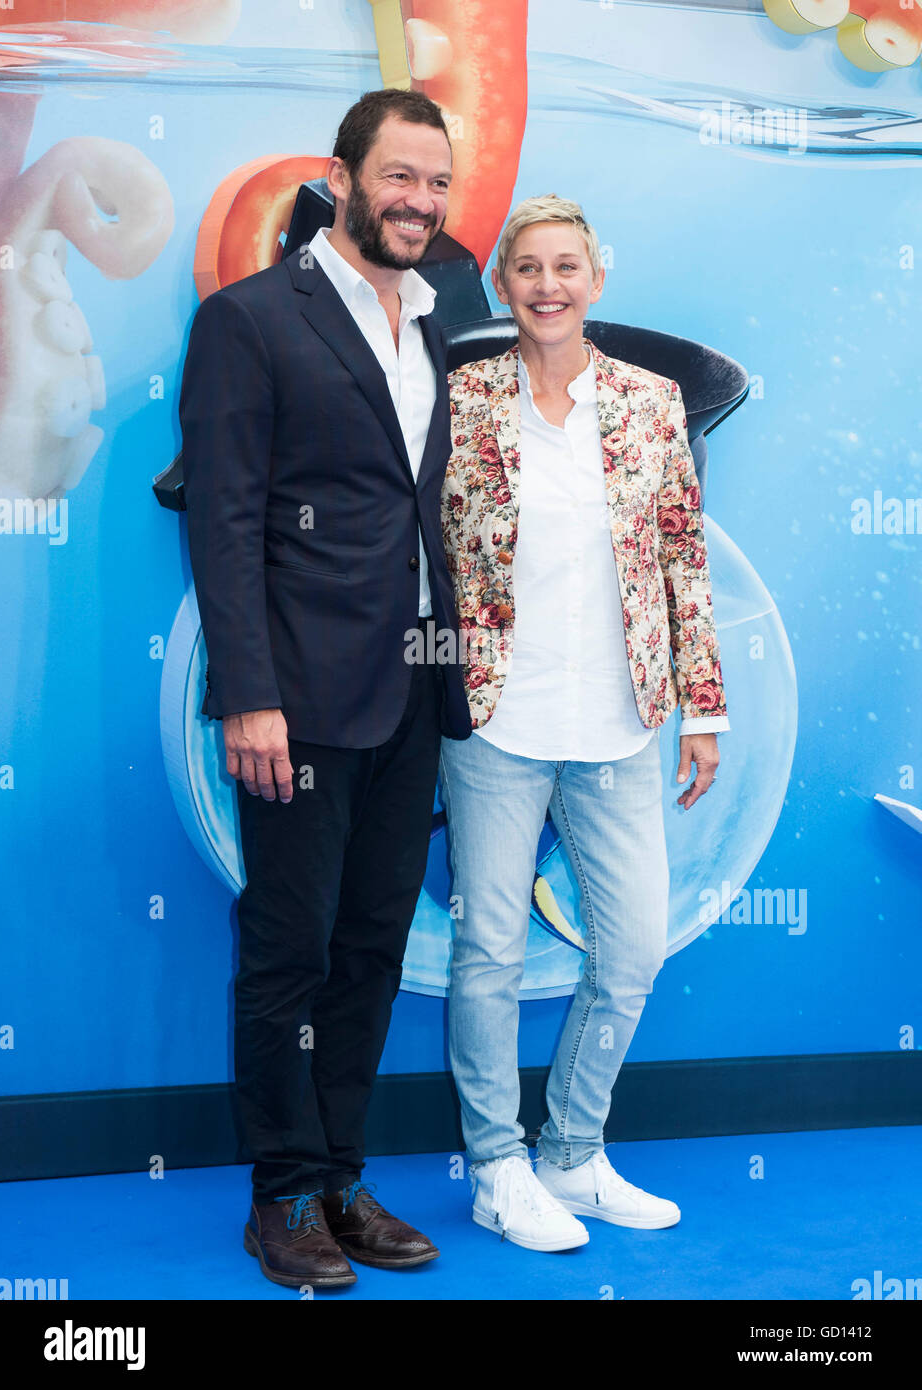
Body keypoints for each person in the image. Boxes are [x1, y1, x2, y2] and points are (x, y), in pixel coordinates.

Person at [178, 88, 471, 1289]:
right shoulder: (252, 318)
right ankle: (282, 1194)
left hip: (412, 687)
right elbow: (226, 513)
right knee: (290, 949)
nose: (421, 202)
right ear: (343, 175)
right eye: (400, 177)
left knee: (373, 944)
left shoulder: (436, 323)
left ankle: (344, 1178)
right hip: (295, 698)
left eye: (438, 184)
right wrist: (249, 694)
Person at [439, 194, 729, 1251]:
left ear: (595, 281)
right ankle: (496, 1167)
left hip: (620, 721)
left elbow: (680, 559)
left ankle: (570, 1153)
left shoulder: (651, 402)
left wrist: (702, 706)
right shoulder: (462, 398)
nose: (548, 286)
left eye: (568, 267)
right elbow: (428, 554)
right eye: (528, 268)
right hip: (495, 720)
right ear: (503, 284)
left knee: (634, 949)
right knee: (489, 953)